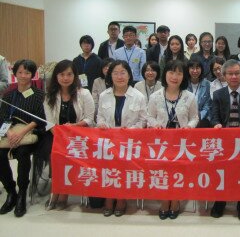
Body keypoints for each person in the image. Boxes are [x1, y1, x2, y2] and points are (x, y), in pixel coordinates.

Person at [147, 60, 199, 220]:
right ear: (165, 74)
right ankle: (164, 200)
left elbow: (195, 117)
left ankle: (175, 201)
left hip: (181, 142)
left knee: (178, 171)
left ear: (184, 76)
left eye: (179, 73)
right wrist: (155, 124)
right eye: (171, 72)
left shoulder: (189, 96)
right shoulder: (156, 96)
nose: (174, 77)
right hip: (161, 142)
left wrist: (189, 127)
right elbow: (149, 116)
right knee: (163, 171)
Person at [210, 59, 240, 222]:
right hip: (223, 139)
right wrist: (216, 124)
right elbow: (214, 115)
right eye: (230, 74)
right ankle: (221, 199)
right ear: (224, 76)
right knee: (222, 171)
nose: (234, 77)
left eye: (237, 73)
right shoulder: (217, 94)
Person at [97, 60, 147, 217]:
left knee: (123, 167)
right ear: (110, 76)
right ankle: (109, 196)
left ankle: (121, 198)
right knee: (108, 168)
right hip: (108, 141)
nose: (119, 76)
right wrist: (102, 125)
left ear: (129, 75)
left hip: (129, 142)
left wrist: (130, 131)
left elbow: (143, 121)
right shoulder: (104, 95)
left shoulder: (138, 96)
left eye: (123, 72)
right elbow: (99, 117)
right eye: (115, 73)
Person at [44, 60, 95, 210]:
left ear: (75, 76)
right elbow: (50, 122)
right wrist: (61, 136)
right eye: (61, 74)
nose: (65, 78)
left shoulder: (84, 93)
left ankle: (64, 192)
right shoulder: (49, 95)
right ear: (56, 76)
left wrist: (73, 127)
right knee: (55, 153)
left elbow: (89, 119)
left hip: (80, 135)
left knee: (70, 153)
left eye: (69, 74)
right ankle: (56, 189)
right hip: (56, 135)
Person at [0, 60, 45, 217]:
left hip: (31, 134)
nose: (23, 76)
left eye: (27, 73)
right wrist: (10, 133)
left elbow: (40, 118)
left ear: (33, 75)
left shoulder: (39, 94)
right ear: (15, 74)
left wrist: (21, 133)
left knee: (22, 154)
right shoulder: (9, 95)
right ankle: (11, 191)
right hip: (10, 133)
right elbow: (3, 118)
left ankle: (22, 193)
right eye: (20, 72)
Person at [187, 57, 212, 128]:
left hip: (203, 120)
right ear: (188, 69)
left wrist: (198, 117)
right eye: (192, 68)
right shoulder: (184, 84)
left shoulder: (207, 84)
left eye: (197, 68)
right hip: (187, 119)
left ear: (201, 69)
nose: (195, 71)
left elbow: (208, 105)